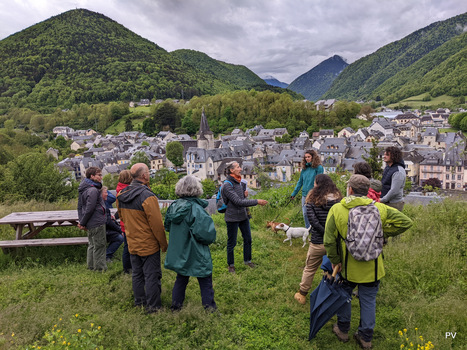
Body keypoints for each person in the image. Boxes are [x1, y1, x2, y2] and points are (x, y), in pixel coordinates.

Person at [324, 175, 413, 348]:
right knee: (368, 301)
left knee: (344, 297)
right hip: (373, 267)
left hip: (348, 266)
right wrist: (381, 233)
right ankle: (365, 337)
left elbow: (329, 240)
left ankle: (342, 329)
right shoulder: (379, 208)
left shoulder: (337, 209)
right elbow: (405, 222)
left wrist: (335, 261)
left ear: (350, 189)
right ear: (367, 191)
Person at [117, 163, 168, 313]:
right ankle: (153, 307)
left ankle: (139, 302)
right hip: (148, 243)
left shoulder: (121, 195)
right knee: (152, 275)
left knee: (137, 274)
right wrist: (163, 244)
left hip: (132, 241)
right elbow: (157, 225)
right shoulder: (148, 196)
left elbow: (121, 217)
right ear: (144, 176)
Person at [164, 175, 217, 311]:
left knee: (181, 278)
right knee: (205, 279)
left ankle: (176, 307)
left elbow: (168, 226)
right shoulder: (196, 209)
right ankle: (210, 309)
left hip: (180, 250)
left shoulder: (174, 206)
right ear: (196, 189)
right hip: (196, 250)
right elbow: (206, 234)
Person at [294, 174, 342, 305]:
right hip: (335, 242)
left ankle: (302, 293)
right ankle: (336, 292)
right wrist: (331, 235)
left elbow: (313, 221)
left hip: (317, 242)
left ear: (317, 185)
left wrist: (324, 233)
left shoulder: (311, 200)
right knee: (338, 266)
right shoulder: (339, 200)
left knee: (310, 268)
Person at [222, 161, 268, 273]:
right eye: (238, 167)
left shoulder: (240, 182)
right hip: (232, 217)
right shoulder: (227, 185)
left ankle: (248, 261)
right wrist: (257, 201)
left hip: (243, 216)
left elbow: (241, 199)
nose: (240, 169)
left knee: (248, 239)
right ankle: (231, 265)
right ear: (231, 170)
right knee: (231, 242)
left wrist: (244, 195)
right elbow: (238, 202)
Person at [78, 167, 107, 271]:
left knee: (92, 245)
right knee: (99, 245)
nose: (101, 177)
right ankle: (100, 268)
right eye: (99, 175)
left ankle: (91, 266)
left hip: (90, 222)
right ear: (92, 176)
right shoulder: (93, 190)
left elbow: (80, 207)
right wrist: (83, 222)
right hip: (97, 221)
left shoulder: (83, 188)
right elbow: (90, 208)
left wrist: (82, 221)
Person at [290, 150, 324, 228]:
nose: (307, 159)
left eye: (309, 157)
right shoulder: (304, 169)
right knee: (305, 213)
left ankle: (315, 230)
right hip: (305, 194)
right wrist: (294, 193)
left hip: (314, 195)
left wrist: (316, 193)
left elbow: (320, 182)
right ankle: (307, 230)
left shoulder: (319, 168)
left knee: (314, 214)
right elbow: (300, 182)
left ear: (313, 157)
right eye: (306, 157)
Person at [101, 186, 124, 263]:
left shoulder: (102, 204)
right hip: (102, 230)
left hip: (102, 228)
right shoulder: (102, 206)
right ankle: (107, 255)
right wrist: (120, 230)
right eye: (105, 192)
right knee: (120, 237)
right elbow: (108, 222)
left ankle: (107, 253)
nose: (107, 194)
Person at [116, 170, 133, 274]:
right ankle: (128, 268)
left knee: (127, 245)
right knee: (128, 247)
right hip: (129, 222)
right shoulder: (127, 190)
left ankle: (127, 268)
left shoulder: (119, 189)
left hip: (123, 222)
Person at [380, 146, 406, 211]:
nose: (384, 156)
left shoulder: (398, 171)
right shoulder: (388, 167)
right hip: (387, 202)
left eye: (387, 155)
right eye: (384, 154)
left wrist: (382, 200)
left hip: (394, 204)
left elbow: (394, 190)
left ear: (394, 156)